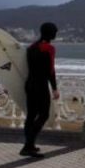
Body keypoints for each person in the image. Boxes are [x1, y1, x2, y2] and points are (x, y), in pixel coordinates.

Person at [22, 22, 60, 158]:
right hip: (40, 85)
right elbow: (50, 70)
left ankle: (29, 145)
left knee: (31, 116)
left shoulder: (31, 47)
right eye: (55, 32)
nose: (56, 34)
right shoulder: (49, 48)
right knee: (44, 115)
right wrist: (54, 88)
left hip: (29, 84)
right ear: (51, 33)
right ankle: (27, 146)